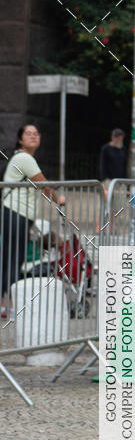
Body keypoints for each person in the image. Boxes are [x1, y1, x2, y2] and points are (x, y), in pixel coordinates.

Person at [1, 124, 65, 316]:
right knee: (14, 258)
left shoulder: (23, 158)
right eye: (28, 134)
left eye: (36, 133)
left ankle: (5, 303)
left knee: (9, 258)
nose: (33, 136)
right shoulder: (23, 158)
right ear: (20, 139)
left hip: (15, 214)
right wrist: (59, 199)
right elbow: (43, 184)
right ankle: (8, 304)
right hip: (15, 214)